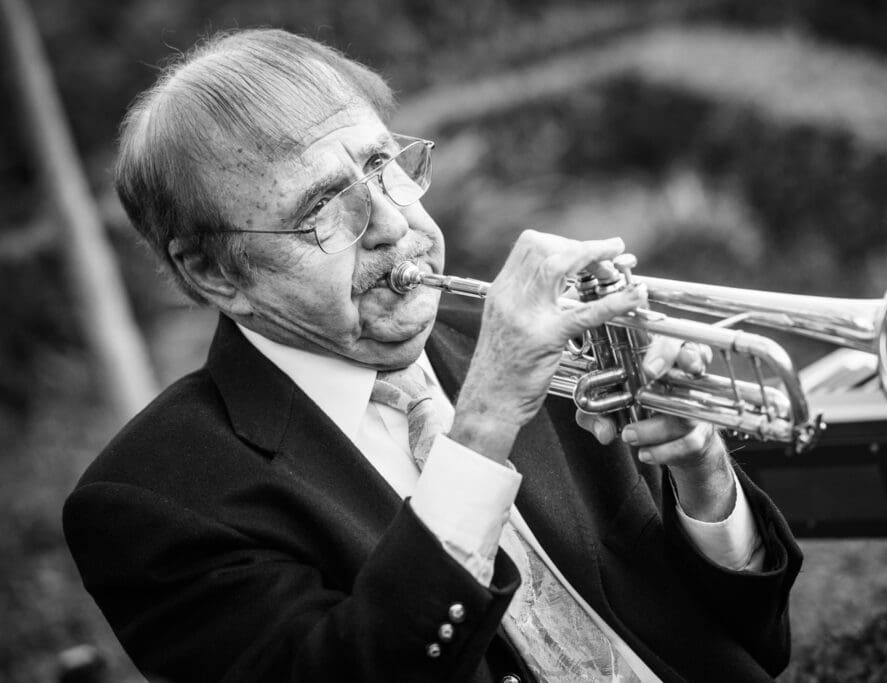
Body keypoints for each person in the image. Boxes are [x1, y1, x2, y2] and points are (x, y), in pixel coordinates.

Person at [63, 28, 801, 683]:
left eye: (383, 164)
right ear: (214, 273)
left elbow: (757, 643)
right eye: (321, 208)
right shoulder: (147, 500)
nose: (393, 222)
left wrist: (704, 481)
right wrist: (481, 425)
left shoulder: (527, 344)